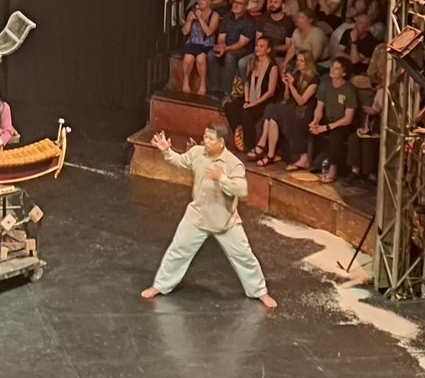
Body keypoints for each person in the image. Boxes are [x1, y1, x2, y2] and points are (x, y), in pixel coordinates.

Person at [140, 124, 278, 309]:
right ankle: (160, 285)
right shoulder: (197, 152)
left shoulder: (233, 163)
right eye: (205, 136)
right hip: (197, 216)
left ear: (221, 142)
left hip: (225, 220)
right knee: (178, 251)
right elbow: (181, 161)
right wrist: (167, 150)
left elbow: (241, 189)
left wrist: (221, 178)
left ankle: (260, 291)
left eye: (210, 138)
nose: (205, 141)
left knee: (244, 256)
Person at [227, 36, 279, 160]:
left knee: (246, 113)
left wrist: (253, 104)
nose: (257, 48)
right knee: (230, 106)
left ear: (268, 50)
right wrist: (247, 100)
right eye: (257, 45)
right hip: (251, 96)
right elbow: (247, 83)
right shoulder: (252, 62)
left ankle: (249, 145)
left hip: (265, 100)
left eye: (261, 46)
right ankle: (239, 131)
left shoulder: (273, 67)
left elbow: (271, 92)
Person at [308, 58, 357, 184]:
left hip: (343, 124)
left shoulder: (349, 89)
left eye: (337, 68)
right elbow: (319, 108)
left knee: (336, 134)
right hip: (328, 119)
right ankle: (307, 160)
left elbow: (348, 118)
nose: (332, 70)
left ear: (344, 73)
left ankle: (332, 170)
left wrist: (327, 127)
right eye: (332, 67)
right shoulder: (325, 85)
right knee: (307, 125)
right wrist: (315, 121)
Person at [211, 0, 255, 98]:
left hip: (243, 49)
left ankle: (227, 90)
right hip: (227, 46)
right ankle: (215, 88)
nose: (235, 5)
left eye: (239, 3)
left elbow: (241, 44)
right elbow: (221, 36)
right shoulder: (228, 16)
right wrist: (221, 47)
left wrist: (225, 49)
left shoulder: (250, 22)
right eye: (235, 2)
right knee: (210, 55)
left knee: (229, 56)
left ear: (246, 6)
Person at [179, 0, 219, 97]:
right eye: (199, 0)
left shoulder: (214, 15)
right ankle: (186, 80)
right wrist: (189, 21)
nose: (200, 2)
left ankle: (202, 83)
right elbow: (185, 32)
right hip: (193, 42)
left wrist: (200, 18)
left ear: (209, 2)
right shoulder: (192, 13)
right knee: (188, 58)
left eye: (203, 0)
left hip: (206, 44)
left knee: (200, 58)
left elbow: (209, 32)